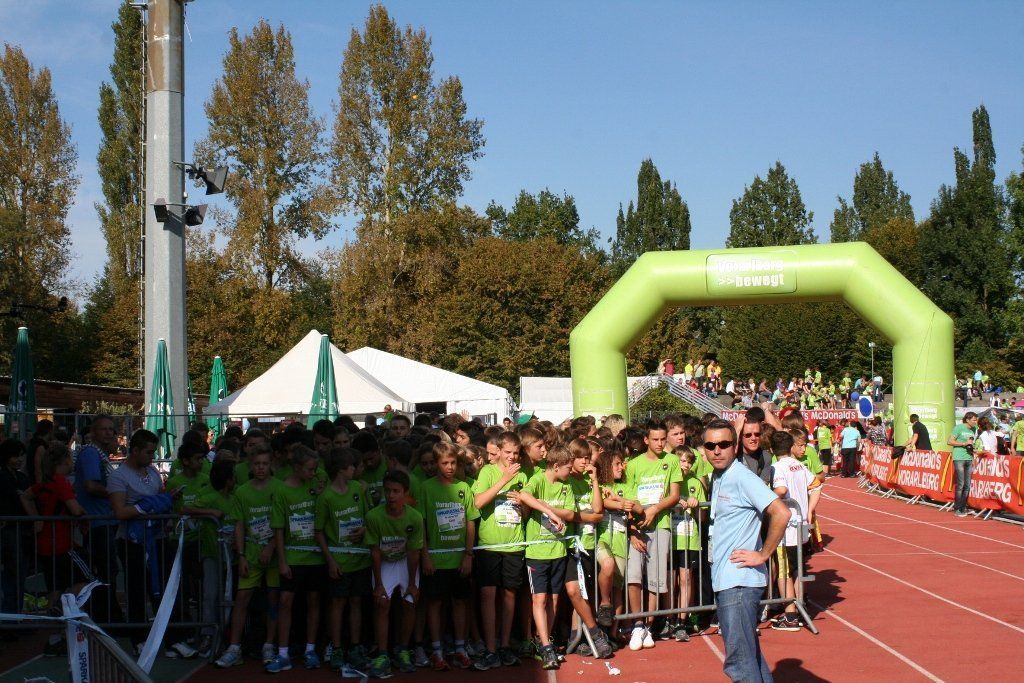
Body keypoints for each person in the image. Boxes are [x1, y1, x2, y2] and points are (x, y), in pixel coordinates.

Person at [703, 418, 789, 683]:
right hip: (728, 580)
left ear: (735, 445)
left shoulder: (742, 477)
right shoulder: (720, 476)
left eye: (724, 444)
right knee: (749, 657)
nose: (717, 450)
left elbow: (781, 513)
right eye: (710, 445)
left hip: (738, 583)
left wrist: (763, 554)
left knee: (740, 663)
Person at [215, 445, 282, 668]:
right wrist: (241, 555)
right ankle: (234, 647)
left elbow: (283, 523)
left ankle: (269, 645)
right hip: (251, 553)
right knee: (242, 597)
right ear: (250, 466)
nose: (261, 468)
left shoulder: (279, 488)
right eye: (257, 464)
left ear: (270, 465)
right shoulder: (242, 492)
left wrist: (271, 547)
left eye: (265, 464)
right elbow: (239, 524)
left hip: (274, 554)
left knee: (273, 598)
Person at [418, 442, 480, 670]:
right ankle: (437, 650)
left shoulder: (463, 487)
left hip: (459, 559)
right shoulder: (426, 488)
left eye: (453, 463)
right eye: (445, 463)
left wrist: (468, 555)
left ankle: (460, 648)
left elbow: (470, 522)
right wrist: (425, 555)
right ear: (436, 464)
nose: (450, 467)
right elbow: (421, 523)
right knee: (435, 603)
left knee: (460, 602)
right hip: (435, 560)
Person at [470, 432, 528, 669]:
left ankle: (504, 645)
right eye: (508, 452)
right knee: (488, 594)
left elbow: (527, 514)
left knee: (510, 594)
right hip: (490, 544)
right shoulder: (487, 472)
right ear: (499, 451)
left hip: (514, 543)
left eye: (516, 453)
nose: (512, 457)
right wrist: (504, 480)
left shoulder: (523, 475)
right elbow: (478, 502)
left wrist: (522, 504)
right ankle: (490, 648)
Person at [624, 421, 681, 651]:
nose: (659, 443)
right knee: (634, 576)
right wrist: (632, 529)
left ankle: (647, 626)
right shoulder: (633, 464)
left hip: (661, 525)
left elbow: (674, 495)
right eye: (655, 439)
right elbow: (629, 499)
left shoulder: (672, 460)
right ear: (646, 440)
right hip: (637, 527)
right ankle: (637, 623)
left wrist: (655, 509)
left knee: (656, 579)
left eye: (662, 439)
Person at [314, 447, 372, 672]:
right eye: (352, 466)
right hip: (339, 562)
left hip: (360, 560)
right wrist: (330, 561)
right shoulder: (326, 497)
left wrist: (364, 529)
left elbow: (368, 516)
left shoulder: (357, 488)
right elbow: (319, 531)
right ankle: (337, 647)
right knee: (338, 603)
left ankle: (355, 646)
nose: (356, 469)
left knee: (356, 602)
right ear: (341, 469)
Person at [269, 446, 325, 672]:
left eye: (315, 469)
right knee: (285, 602)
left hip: (316, 557)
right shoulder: (282, 490)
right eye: (310, 469)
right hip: (293, 556)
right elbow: (278, 528)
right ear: (297, 467)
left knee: (314, 602)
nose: (313, 473)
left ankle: (310, 650)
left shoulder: (318, 485)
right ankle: (282, 653)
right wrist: (282, 561)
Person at [365, 470, 423, 679]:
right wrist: (379, 584)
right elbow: (374, 552)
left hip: (405, 562)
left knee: (409, 602)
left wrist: (413, 584)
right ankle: (382, 654)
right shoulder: (373, 517)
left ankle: (403, 650)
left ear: (405, 493)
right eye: (387, 491)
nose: (391, 496)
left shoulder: (415, 518)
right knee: (382, 603)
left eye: (396, 491)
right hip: (385, 563)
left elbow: (414, 553)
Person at [767, 431, 811, 632]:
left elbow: (782, 490)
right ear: (791, 446)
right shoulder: (799, 465)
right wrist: (809, 510)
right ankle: (800, 608)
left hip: (786, 527)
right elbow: (816, 484)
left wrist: (764, 495)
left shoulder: (777, 467)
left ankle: (791, 615)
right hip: (800, 523)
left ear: (771, 449)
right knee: (797, 569)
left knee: (784, 570)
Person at [947, 412, 979, 517]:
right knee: (960, 484)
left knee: (967, 485)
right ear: (967, 420)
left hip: (969, 458)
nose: (975, 422)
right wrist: (963, 444)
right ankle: (957, 508)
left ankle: (963, 507)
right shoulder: (959, 428)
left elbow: (970, 443)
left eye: (976, 420)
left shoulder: (974, 429)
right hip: (959, 458)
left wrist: (974, 450)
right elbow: (950, 441)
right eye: (974, 420)